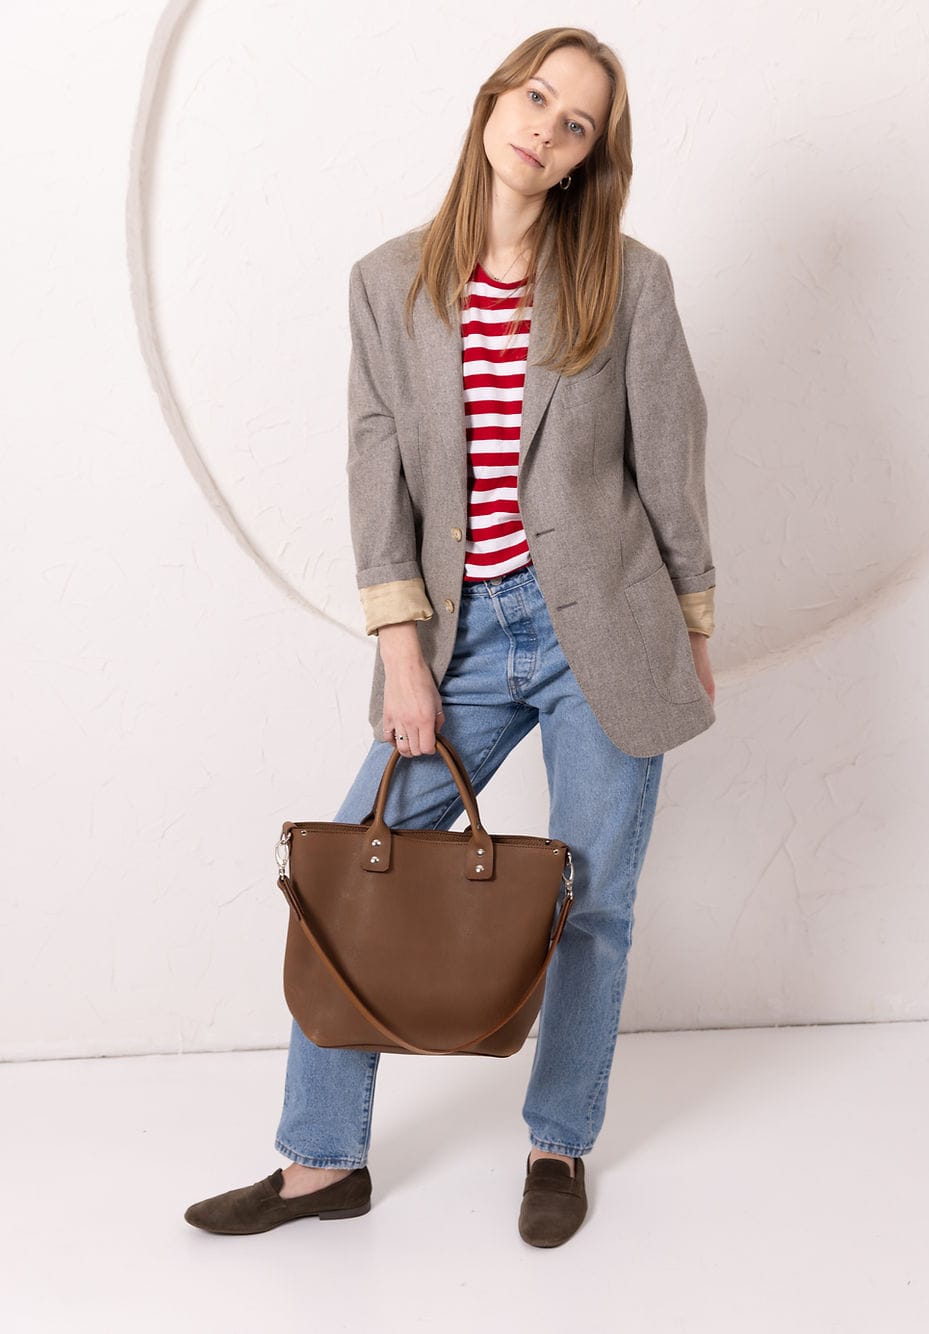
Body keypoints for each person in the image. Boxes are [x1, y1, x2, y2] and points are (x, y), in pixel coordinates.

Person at [185, 24, 716, 1249]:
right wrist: (401, 653)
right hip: (461, 632)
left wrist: (692, 621)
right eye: (536, 97)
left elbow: (671, 459)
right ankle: (321, 1161)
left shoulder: (628, 281)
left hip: (606, 628)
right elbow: (376, 472)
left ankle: (556, 1142)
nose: (546, 128)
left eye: (576, 123)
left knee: (592, 899)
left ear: (586, 158)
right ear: (491, 104)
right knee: (346, 878)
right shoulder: (386, 281)